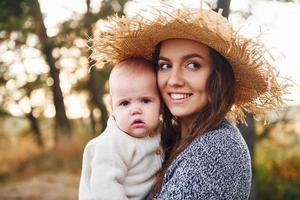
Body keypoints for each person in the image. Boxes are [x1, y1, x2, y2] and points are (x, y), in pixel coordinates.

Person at [91, 6, 287, 200]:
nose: (174, 80)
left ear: (218, 77)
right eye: (165, 65)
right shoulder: (168, 138)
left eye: (192, 65)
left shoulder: (216, 151)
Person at [79, 58, 163, 200]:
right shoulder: (112, 143)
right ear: (112, 109)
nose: (135, 110)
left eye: (145, 100)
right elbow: (104, 187)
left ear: (161, 106)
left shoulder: (160, 130)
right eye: (125, 103)